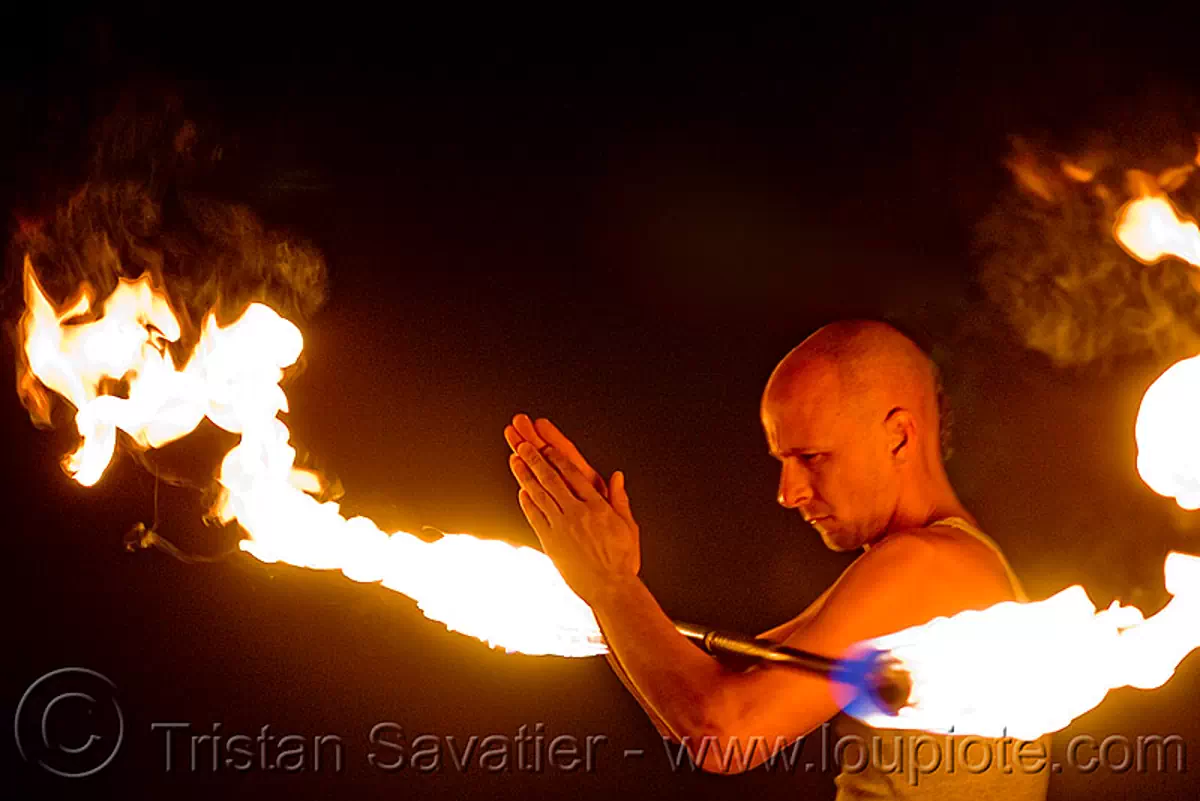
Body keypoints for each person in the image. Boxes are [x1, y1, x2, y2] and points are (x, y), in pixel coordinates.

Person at [504, 320, 1049, 799]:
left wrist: (610, 584)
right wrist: (603, 584)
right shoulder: (941, 564)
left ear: (899, 437)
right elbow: (692, 703)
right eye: (784, 460)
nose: (789, 492)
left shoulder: (929, 565)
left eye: (812, 457)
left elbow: (725, 735)